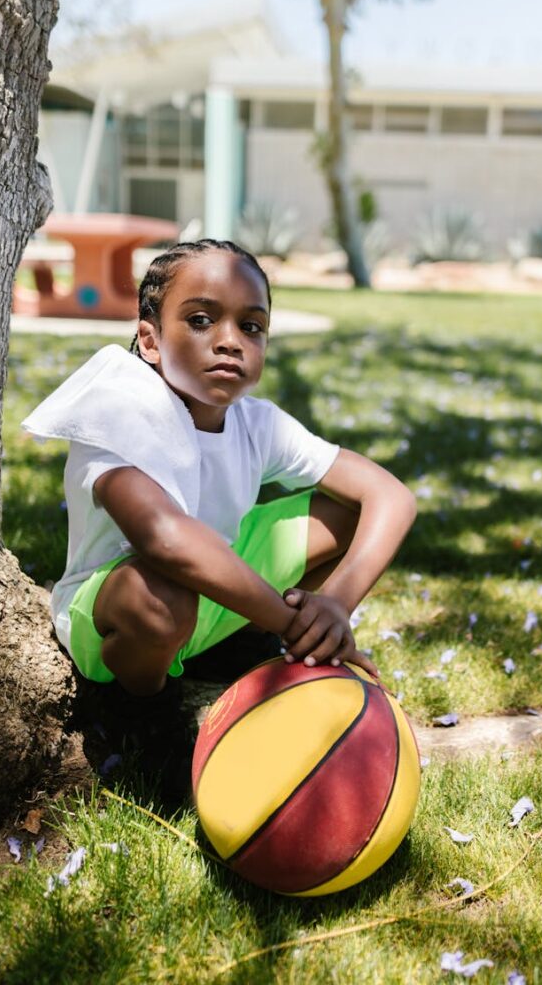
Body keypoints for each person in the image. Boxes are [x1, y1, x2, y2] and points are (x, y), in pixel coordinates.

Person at [23, 239, 417, 701]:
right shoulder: (118, 408)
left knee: (346, 511)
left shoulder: (257, 422)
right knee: (161, 596)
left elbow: (391, 496)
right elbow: (164, 540)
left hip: (218, 598)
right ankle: (145, 703)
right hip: (120, 610)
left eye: (251, 326)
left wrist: (333, 606)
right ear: (150, 340)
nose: (230, 340)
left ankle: (249, 646)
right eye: (200, 320)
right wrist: (290, 621)